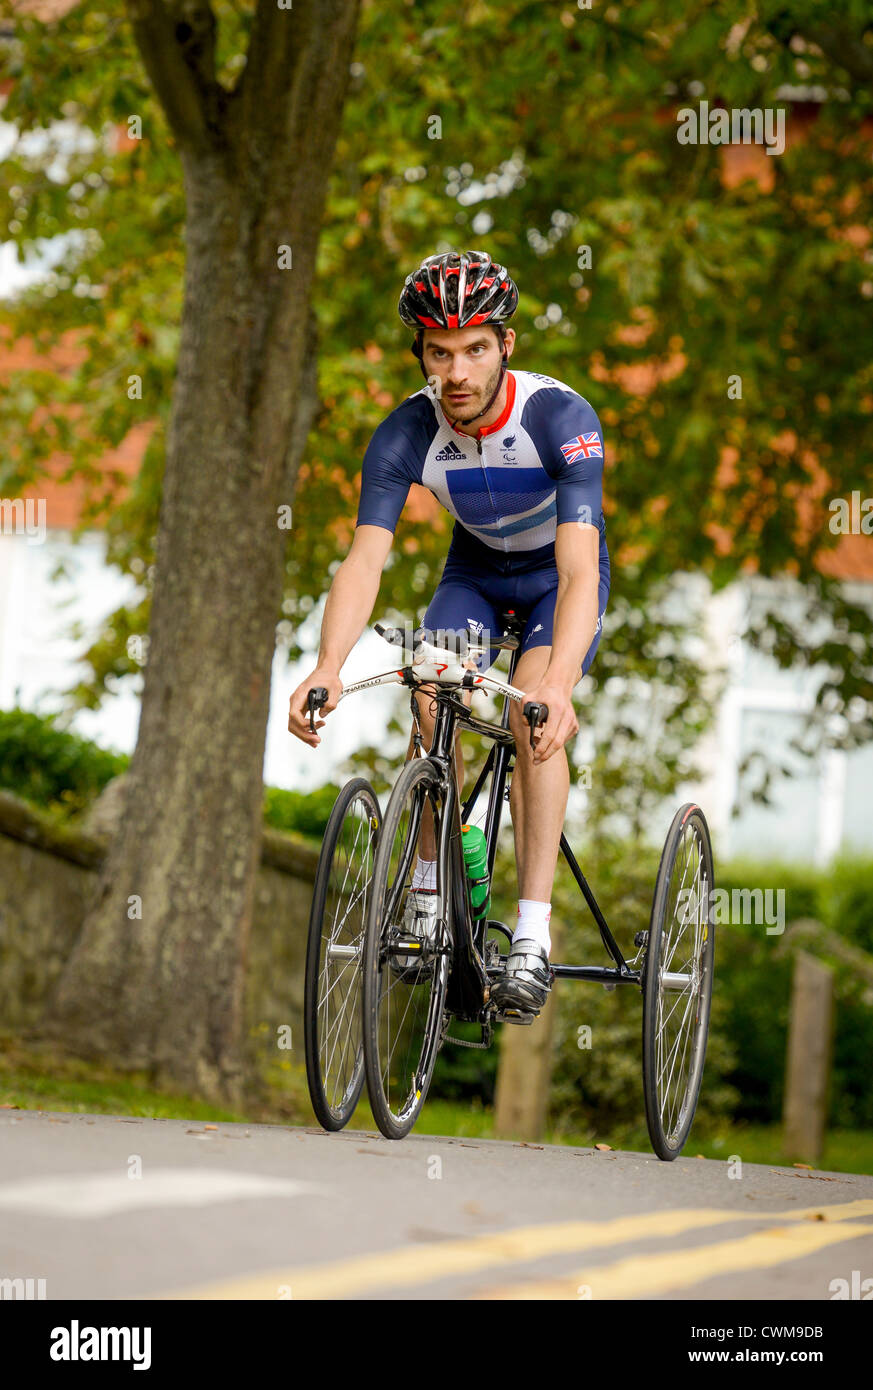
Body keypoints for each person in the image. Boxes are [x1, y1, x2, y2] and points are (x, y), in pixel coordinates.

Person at [289, 249, 610, 1017]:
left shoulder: (560, 419)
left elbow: (576, 575)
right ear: (421, 356)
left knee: (531, 715)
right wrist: (326, 664)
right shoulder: (405, 432)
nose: (457, 370)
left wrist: (558, 686)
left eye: (473, 347)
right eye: (439, 352)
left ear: (506, 345)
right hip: (472, 577)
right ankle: (430, 889)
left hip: (552, 586)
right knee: (432, 693)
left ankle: (532, 931)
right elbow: (364, 559)